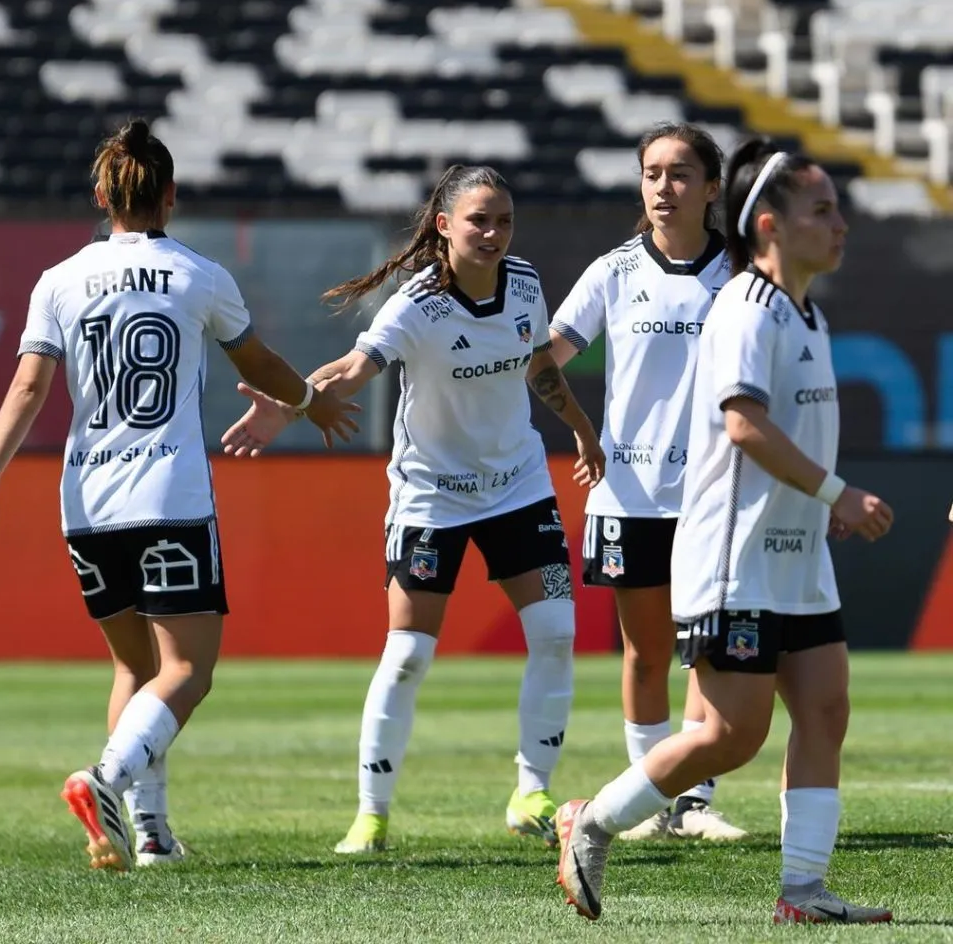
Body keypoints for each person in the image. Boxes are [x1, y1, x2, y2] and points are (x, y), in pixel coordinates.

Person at [0, 119, 358, 872]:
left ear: (101, 195)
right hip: (167, 496)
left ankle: (151, 836)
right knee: (188, 671)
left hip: (86, 503)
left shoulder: (59, 279)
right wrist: (310, 400)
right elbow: (261, 362)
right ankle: (104, 779)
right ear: (170, 196)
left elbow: (28, 386)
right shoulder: (198, 275)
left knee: (134, 671)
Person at [552, 138, 894, 924]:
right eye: (823, 210)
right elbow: (743, 425)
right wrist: (838, 494)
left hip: (795, 552)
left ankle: (803, 892)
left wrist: (818, 507)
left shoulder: (807, 310)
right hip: (735, 557)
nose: (840, 224)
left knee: (826, 708)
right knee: (730, 734)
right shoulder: (746, 307)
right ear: (769, 224)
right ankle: (591, 822)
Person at [219, 164, 604, 852]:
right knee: (406, 655)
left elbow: (539, 363)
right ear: (445, 226)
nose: (493, 233)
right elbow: (354, 367)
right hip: (433, 495)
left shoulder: (525, 284)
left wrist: (578, 425)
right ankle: (371, 815)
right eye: (479, 220)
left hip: (518, 485)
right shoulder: (418, 304)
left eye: (504, 221)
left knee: (554, 632)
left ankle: (531, 792)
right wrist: (294, 406)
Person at [547, 122, 745, 841]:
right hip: (630, 495)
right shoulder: (614, 271)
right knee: (647, 651)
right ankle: (650, 804)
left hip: (717, 496)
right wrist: (580, 428)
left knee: (710, 648)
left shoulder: (745, 273)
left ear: (712, 188)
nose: (665, 187)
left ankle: (694, 802)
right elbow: (548, 358)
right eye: (652, 173)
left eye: (681, 173)